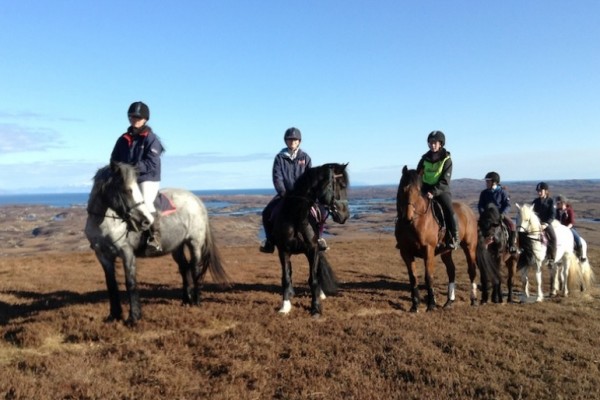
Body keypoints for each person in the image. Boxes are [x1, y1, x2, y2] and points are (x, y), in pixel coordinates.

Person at [259, 127, 328, 253]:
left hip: (303, 196)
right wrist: (283, 192)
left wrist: (308, 193)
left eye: (295, 140)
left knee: (321, 212)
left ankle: (319, 238)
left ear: (299, 141)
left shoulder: (305, 158)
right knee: (266, 213)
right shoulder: (279, 158)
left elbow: (310, 177)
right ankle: (269, 241)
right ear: (286, 141)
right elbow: (277, 177)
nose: (292, 142)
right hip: (285, 194)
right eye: (290, 140)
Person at [110, 101, 165, 253]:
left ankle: (155, 237)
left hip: (147, 177)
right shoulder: (123, 139)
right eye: (132, 117)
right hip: (128, 178)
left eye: (138, 117)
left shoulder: (151, 139)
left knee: (146, 203)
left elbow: (151, 163)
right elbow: (114, 158)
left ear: (145, 119)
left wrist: (130, 169)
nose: (135, 119)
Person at [416, 130, 459, 249]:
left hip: (441, 190)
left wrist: (433, 192)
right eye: (430, 142)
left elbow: (445, 180)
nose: (432, 145)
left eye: (435, 143)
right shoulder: (424, 158)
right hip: (425, 189)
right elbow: (418, 175)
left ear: (441, 144)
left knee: (449, 210)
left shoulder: (447, 160)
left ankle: (454, 237)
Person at [478, 172, 518, 253]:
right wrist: (482, 213)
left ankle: (512, 245)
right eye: (486, 181)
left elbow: (507, 205)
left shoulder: (502, 192)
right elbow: (480, 205)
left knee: (512, 225)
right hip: (487, 217)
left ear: (494, 182)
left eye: (488, 181)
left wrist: (502, 214)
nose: (486, 183)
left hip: (499, 215)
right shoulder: (484, 193)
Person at [532, 182, 556, 264]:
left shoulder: (551, 201)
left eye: (540, 191)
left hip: (546, 224)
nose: (539, 193)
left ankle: (551, 257)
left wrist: (546, 224)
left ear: (546, 191)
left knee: (553, 238)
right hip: (536, 224)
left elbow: (552, 215)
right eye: (538, 191)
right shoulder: (535, 201)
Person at [555, 195, 585, 261]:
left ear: (563, 203)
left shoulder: (569, 210)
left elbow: (571, 222)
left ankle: (580, 256)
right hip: (559, 228)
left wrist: (566, 228)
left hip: (569, 228)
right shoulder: (557, 211)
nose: (557, 205)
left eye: (558, 203)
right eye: (556, 203)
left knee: (578, 240)